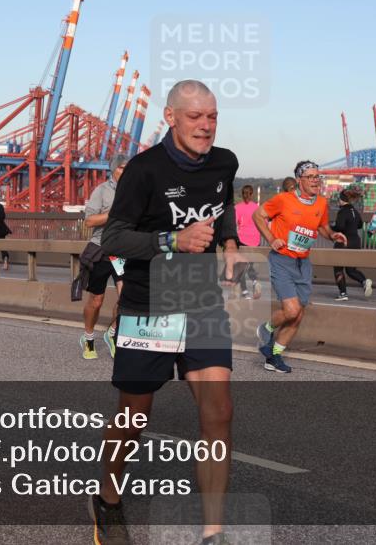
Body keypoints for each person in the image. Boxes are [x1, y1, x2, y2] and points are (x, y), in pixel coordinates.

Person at [91, 80, 242, 545]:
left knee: (219, 410)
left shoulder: (225, 162)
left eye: (212, 116)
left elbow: (223, 205)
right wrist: (171, 240)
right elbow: (113, 237)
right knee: (135, 415)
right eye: (195, 117)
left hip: (200, 297)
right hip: (148, 300)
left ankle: (213, 530)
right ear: (171, 117)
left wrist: (230, 243)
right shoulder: (143, 171)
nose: (206, 126)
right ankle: (107, 499)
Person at [252, 161, 346, 374]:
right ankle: (265, 328)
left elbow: (322, 226)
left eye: (317, 177)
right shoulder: (283, 200)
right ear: (299, 181)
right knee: (291, 310)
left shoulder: (321, 203)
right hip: (282, 260)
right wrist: (271, 238)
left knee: (298, 314)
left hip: (303, 263)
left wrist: (332, 235)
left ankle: (274, 356)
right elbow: (258, 215)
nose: (316, 181)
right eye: (311, 177)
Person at [78, 153, 127, 360]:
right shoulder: (102, 191)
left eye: (128, 168)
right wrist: (112, 214)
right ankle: (88, 338)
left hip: (123, 252)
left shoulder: (135, 192)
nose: (125, 172)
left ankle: (112, 334)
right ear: (113, 169)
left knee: (128, 297)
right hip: (101, 250)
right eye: (122, 167)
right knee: (96, 300)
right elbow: (88, 221)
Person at [331, 186, 373, 301]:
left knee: (338, 268)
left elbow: (340, 226)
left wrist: (330, 227)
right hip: (356, 242)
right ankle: (364, 281)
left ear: (341, 200)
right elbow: (359, 225)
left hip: (344, 242)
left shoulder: (342, 211)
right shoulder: (355, 211)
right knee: (351, 270)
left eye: (339, 199)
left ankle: (343, 293)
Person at [233, 184, 262, 299]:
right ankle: (255, 282)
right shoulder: (257, 207)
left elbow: (234, 224)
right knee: (250, 266)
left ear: (242, 194)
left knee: (240, 268)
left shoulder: (237, 207)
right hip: (256, 240)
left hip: (243, 240)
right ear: (252, 194)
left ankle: (245, 292)